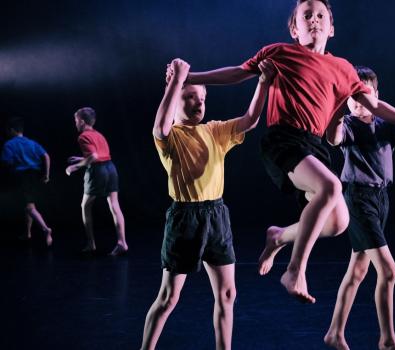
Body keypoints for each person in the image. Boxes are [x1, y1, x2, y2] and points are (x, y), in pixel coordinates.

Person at [184, 0, 395, 303]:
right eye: (306, 16)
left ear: (331, 29)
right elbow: (237, 73)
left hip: (315, 147)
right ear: (294, 28)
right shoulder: (280, 53)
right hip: (284, 140)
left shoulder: (343, 69)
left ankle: (279, 236)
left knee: (338, 222)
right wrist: (190, 77)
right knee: (331, 186)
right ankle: (295, 269)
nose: (314, 20)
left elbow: (375, 105)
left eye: (321, 16)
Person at [140, 58, 275, 350]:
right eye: (188, 97)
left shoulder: (215, 131)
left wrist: (263, 83)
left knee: (227, 294)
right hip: (184, 219)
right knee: (168, 299)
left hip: (216, 216)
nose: (197, 102)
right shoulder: (170, 137)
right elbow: (160, 125)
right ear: (175, 99)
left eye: (200, 97)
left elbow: (250, 119)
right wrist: (176, 80)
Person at [323, 66, 395, 350]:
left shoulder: (386, 124)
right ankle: (387, 340)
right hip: (358, 200)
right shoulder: (349, 125)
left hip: (380, 200)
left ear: (377, 96)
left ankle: (335, 333)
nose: (357, 102)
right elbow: (334, 137)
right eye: (353, 97)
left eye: (364, 96)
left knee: (358, 272)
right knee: (389, 272)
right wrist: (339, 105)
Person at [65, 107, 129, 256]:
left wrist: (74, 167)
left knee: (85, 206)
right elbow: (101, 155)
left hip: (98, 171)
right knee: (114, 205)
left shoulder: (83, 136)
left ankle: (91, 244)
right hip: (111, 168)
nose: (75, 124)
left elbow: (93, 157)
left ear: (81, 121)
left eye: (75, 121)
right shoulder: (99, 135)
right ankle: (122, 243)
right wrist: (81, 158)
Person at [1, 117, 52, 246]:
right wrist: (46, 174)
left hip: (22, 177)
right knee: (29, 205)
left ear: (12, 130)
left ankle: (46, 229)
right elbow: (46, 156)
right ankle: (28, 233)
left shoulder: (9, 144)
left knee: (29, 207)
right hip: (34, 176)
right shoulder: (32, 143)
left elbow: (7, 162)